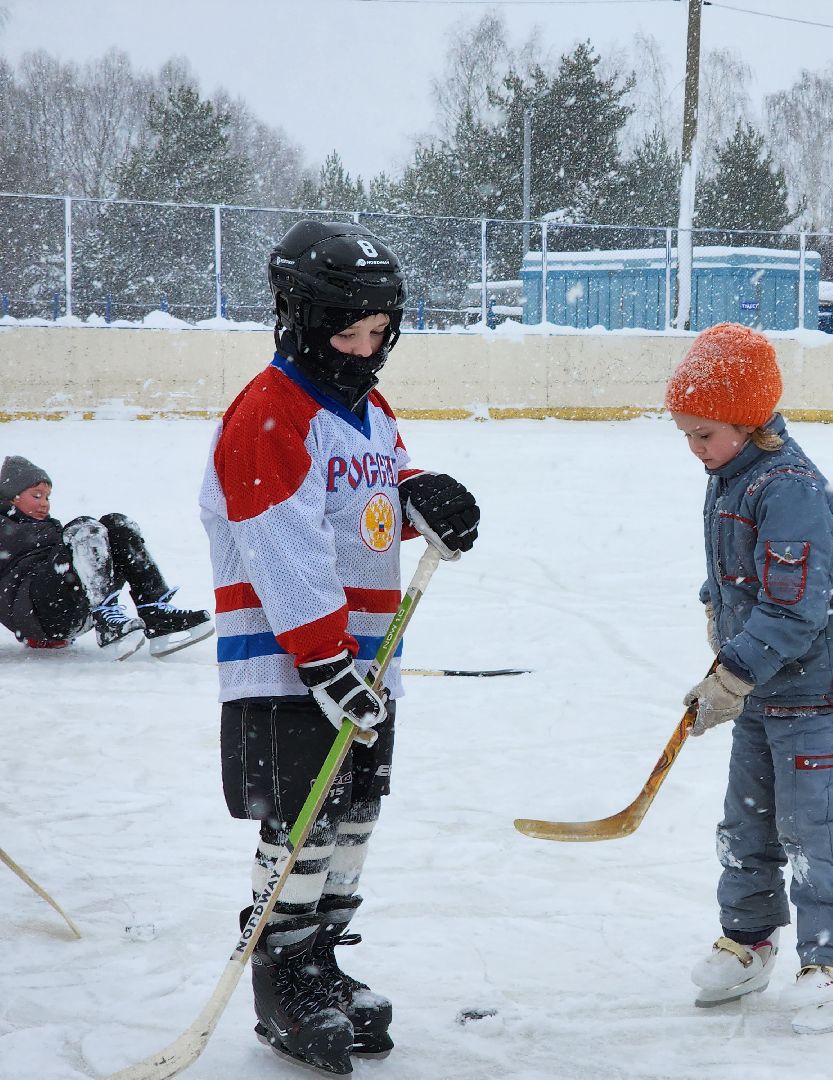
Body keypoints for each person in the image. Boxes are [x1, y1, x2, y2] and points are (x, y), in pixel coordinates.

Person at [199, 220, 479, 1075]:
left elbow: (372, 493)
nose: (365, 351)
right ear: (297, 317)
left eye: (378, 336)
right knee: (303, 820)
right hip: (291, 667)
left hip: (363, 665)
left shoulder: (367, 409)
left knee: (354, 814)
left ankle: (320, 956)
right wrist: (324, 662)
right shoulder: (269, 414)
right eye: (348, 333)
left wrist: (419, 493)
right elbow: (282, 550)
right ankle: (281, 977)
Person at [666, 322, 833, 1035]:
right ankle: (751, 940)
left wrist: (732, 673)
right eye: (687, 434)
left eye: (704, 434)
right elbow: (737, 571)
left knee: (812, 829)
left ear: (748, 422)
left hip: (815, 689)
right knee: (747, 824)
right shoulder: (734, 473)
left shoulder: (789, 488)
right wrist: (714, 611)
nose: (693, 449)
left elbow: (795, 607)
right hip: (763, 682)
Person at [0, 454, 212, 659]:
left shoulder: (49, 527)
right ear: (11, 497)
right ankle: (105, 618)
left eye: (47, 497)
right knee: (83, 528)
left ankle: (156, 613)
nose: (45, 503)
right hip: (36, 612)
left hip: (73, 607)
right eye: (36, 495)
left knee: (116, 525)